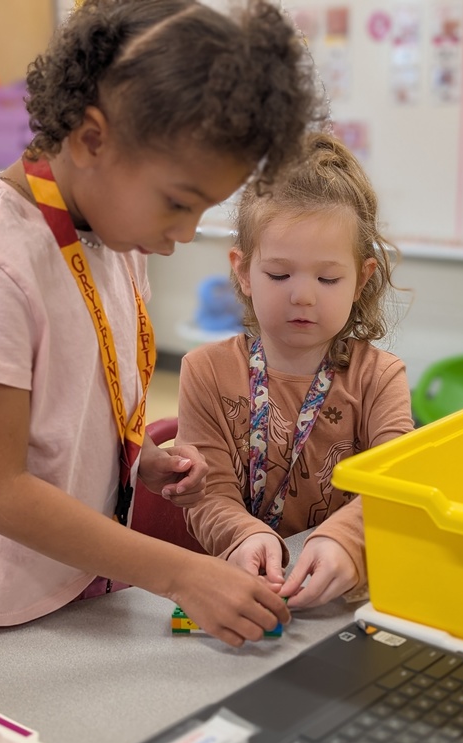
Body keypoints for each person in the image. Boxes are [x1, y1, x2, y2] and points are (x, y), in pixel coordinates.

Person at [0, 0, 321, 656]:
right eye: (178, 202)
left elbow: (66, 406)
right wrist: (182, 571)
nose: (185, 234)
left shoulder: (114, 238)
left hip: (66, 585)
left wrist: (135, 462)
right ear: (91, 139)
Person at [177, 132, 414, 610]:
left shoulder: (379, 378)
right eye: (279, 275)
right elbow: (208, 494)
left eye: (328, 279)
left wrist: (345, 542)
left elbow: (397, 486)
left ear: (361, 279)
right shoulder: (204, 371)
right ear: (242, 272)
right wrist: (242, 537)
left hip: (341, 601)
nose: (303, 295)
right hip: (240, 594)